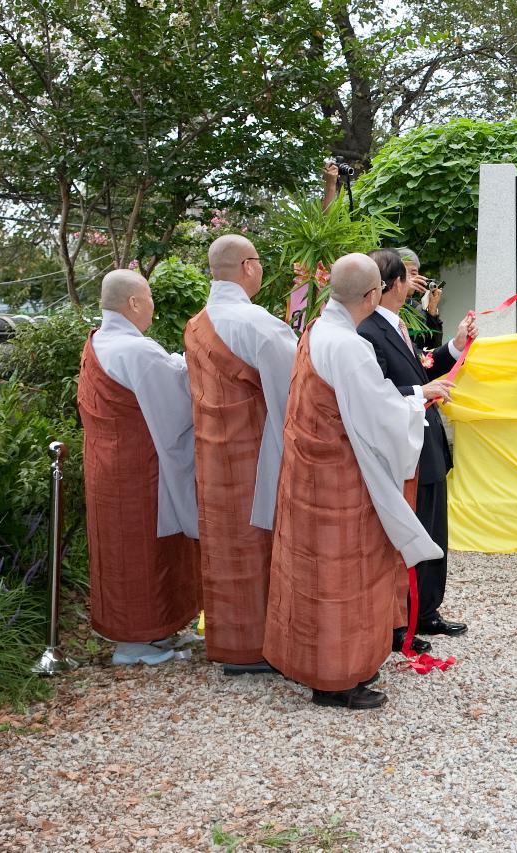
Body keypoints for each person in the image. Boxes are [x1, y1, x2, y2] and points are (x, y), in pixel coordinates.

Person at [263, 253, 443, 710]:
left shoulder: (320, 330)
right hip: (343, 477)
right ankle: (337, 678)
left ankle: (328, 662)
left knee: (316, 571)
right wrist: (416, 403)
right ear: (372, 295)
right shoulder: (348, 344)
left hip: (310, 471)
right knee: (348, 574)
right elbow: (378, 414)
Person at [185, 234, 297, 676]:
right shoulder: (258, 325)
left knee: (223, 543)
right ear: (249, 267)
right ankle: (258, 646)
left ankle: (230, 643)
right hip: (254, 450)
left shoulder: (196, 324)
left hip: (212, 453)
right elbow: (293, 393)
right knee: (256, 542)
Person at [78, 270, 201, 664]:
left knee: (124, 547)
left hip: (107, 461)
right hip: (136, 466)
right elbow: (177, 400)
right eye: (147, 298)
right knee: (142, 550)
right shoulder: (136, 350)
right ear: (133, 303)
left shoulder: (99, 341)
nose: (151, 305)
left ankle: (155, 634)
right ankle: (136, 642)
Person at [358, 249, 472, 644]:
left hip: (427, 441)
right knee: (414, 531)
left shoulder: (395, 324)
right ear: (391, 285)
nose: (415, 283)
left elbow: (421, 366)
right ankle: (402, 617)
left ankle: (426, 610)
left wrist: (455, 346)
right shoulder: (367, 331)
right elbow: (377, 391)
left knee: (434, 530)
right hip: (406, 446)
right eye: (408, 276)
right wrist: (419, 390)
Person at [396, 247, 445, 351]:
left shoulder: (417, 309)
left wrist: (431, 310)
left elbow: (433, 347)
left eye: (413, 273)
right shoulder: (381, 303)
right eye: (405, 273)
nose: (410, 278)